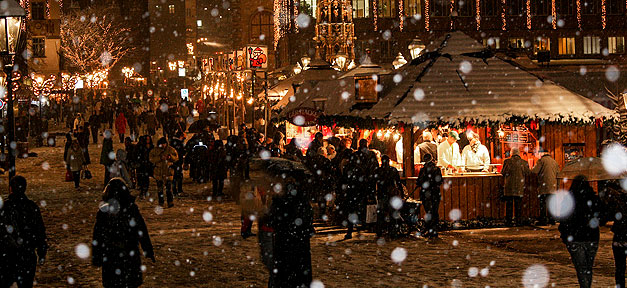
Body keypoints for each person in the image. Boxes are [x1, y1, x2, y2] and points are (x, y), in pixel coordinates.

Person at [92, 178, 155, 288]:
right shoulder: (131, 209)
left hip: (111, 256)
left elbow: (97, 235)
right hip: (129, 254)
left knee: (114, 283)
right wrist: (147, 249)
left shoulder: (105, 211)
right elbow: (141, 230)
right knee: (129, 283)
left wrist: (97, 256)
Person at [1, 176, 48, 288]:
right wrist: (42, 251)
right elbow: (40, 230)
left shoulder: (5, 208)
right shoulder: (31, 207)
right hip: (27, 253)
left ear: (11, 188)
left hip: (8, 255)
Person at [268, 176, 314, 288]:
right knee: (299, 271)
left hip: (284, 240)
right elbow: (307, 218)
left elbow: (272, 219)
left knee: (282, 272)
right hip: (299, 241)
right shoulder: (302, 198)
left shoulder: (279, 198)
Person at [558, 176, 603, 288]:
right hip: (591, 236)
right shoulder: (593, 198)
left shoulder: (569, 199)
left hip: (575, 237)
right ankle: (587, 285)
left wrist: (564, 235)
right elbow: (602, 217)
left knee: (581, 268)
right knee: (588, 267)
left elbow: (564, 219)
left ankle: (585, 286)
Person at [374, 155, 403, 237]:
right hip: (391, 194)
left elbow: (374, 182)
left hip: (381, 193)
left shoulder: (378, 170)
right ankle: (392, 231)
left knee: (381, 214)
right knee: (392, 213)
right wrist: (401, 191)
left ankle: (380, 230)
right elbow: (398, 182)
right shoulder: (393, 170)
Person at [501, 148, 531, 226]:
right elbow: (528, 173)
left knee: (509, 205)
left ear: (511, 153)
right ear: (519, 153)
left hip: (509, 186)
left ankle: (509, 221)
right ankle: (518, 221)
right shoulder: (524, 162)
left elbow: (503, 172)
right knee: (518, 205)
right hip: (519, 186)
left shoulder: (507, 162)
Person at [417, 153, 443, 238]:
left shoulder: (423, 170)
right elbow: (440, 181)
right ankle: (434, 230)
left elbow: (419, 182)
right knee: (435, 212)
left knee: (429, 212)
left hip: (426, 194)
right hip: (435, 193)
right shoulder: (437, 169)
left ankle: (430, 230)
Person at [532, 150, 560, 225]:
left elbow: (534, 171)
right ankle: (552, 220)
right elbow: (558, 174)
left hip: (544, 185)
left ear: (542, 153)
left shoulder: (541, 161)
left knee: (543, 203)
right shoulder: (554, 162)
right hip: (553, 186)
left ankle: (543, 220)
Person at [149, 137, 179, 208]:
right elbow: (151, 159)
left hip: (168, 171)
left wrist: (170, 157)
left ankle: (170, 201)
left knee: (169, 188)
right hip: (159, 172)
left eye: (164, 144)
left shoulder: (171, 149)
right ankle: (161, 202)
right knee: (160, 189)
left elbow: (176, 158)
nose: (163, 145)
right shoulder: (155, 150)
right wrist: (160, 158)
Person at [169, 131, 186, 196]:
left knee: (174, 177)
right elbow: (183, 151)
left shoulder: (172, 142)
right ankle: (179, 190)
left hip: (173, 162)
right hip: (178, 161)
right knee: (178, 176)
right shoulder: (179, 143)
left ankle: (174, 190)